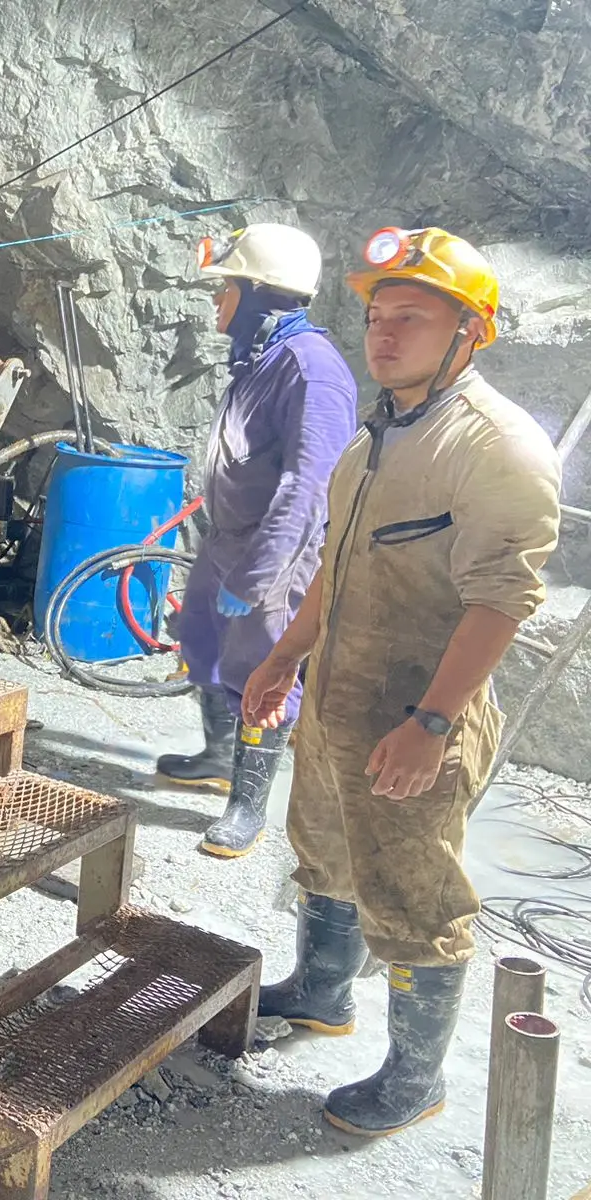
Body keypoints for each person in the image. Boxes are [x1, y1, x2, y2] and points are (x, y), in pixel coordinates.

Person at [243, 227, 561, 1136]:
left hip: (416, 714)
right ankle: (322, 992)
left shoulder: (496, 446)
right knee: (325, 849)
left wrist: (432, 724)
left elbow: (501, 600)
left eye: (411, 318)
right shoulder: (376, 436)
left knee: (414, 890)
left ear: (471, 331)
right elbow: (337, 569)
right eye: (377, 316)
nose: (383, 334)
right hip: (337, 699)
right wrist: (284, 657)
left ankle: (415, 1080)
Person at [157, 223, 358, 857]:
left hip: (276, 555)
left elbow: (309, 490)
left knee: (261, 671)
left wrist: (256, 577)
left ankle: (247, 806)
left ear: (260, 292)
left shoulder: (310, 370)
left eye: (227, 288)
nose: (218, 301)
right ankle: (219, 757)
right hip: (228, 542)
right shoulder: (260, 358)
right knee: (202, 644)